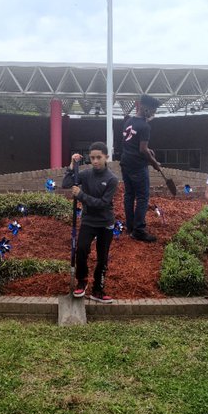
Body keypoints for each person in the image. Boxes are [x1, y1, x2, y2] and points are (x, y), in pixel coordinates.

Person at [62, 141, 120, 302]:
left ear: (106, 157)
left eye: (98, 157)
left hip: (105, 222)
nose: (95, 161)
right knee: (81, 250)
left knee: (102, 258)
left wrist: (81, 195)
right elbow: (66, 183)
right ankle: (82, 280)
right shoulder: (86, 174)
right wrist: (72, 164)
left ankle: (98, 290)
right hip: (88, 221)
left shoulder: (112, 179)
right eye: (92, 158)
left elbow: (102, 203)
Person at [118, 95, 166, 243]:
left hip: (125, 162)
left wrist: (148, 150)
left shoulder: (129, 121)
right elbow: (142, 150)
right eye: (152, 110)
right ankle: (139, 230)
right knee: (142, 197)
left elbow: (134, 144)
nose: (153, 114)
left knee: (129, 195)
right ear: (145, 108)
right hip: (138, 166)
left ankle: (131, 227)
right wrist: (154, 163)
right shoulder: (145, 126)